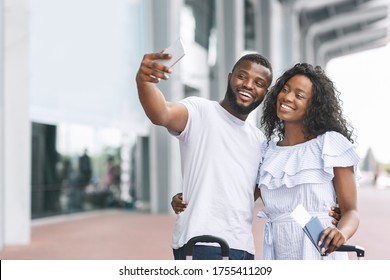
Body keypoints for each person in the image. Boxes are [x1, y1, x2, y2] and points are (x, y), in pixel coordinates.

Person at [136, 51, 273, 260]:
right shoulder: (200, 111)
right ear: (230, 78)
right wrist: (145, 83)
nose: (248, 85)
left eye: (259, 82)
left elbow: (250, 190)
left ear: (264, 92)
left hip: (243, 247)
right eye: (242, 76)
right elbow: (161, 113)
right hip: (202, 242)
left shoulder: (259, 140)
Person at [257, 63, 360, 259]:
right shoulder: (267, 152)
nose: (287, 97)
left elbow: (351, 211)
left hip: (320, 249)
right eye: (285, 90)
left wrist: (342, 233)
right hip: (280, 250)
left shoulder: (329, 144)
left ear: (313, 106)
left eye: (299, 95)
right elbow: (239, 195)